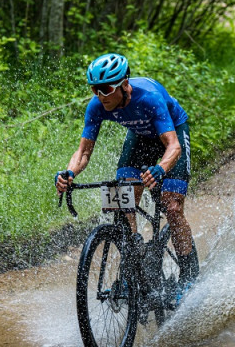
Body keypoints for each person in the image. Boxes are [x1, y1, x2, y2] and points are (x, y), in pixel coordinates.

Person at [55, 52, 199, 299]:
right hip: (141, 137)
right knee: (122, 198)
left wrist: (160, 169)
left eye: (106, 89)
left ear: (124, 84)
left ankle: (189, 276)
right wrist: (69, 173)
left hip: (170, 133)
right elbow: (83, 152)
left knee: (172, 206)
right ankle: (133, 264)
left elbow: (173, 146)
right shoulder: (97, 105)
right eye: (95, 89)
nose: (101, 96)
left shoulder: (149, 98)